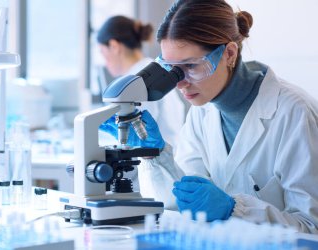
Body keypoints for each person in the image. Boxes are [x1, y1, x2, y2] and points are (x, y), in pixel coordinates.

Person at [99, 0, 318, 234]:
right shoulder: (202, 112)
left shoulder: (294, 113)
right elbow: (181, 205)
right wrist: (157, 157)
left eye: (191, 65)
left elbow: (311, 227)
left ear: (229, 54)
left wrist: (235, 210)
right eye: (172, 69)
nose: (180, 83)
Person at [97, 15, 187, 148]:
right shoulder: (150, 71)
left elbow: (138, 134)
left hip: (160, 159)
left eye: (103, 53)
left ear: (114, 46)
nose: (105, 62)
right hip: (167, 156)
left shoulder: (138, 81)